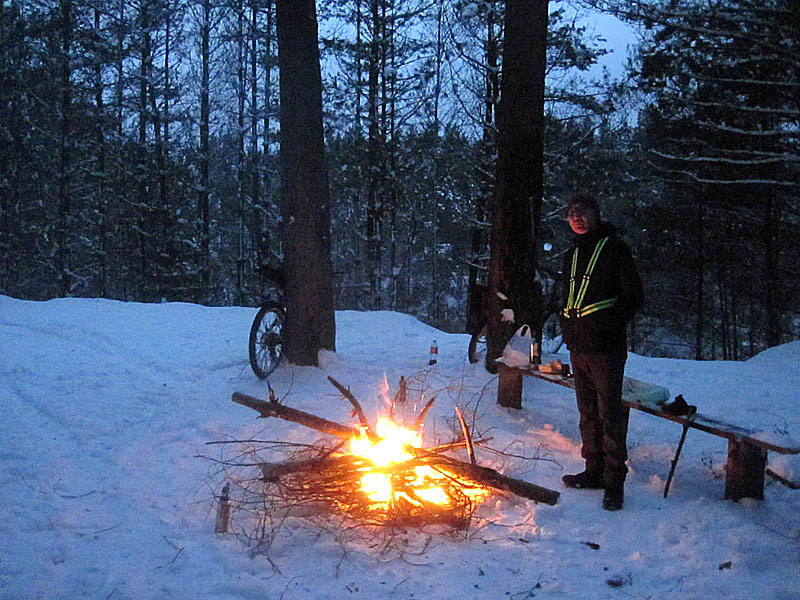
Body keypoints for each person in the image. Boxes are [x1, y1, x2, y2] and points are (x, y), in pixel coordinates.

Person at [559, 194, 644, 511]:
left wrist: (608, 324)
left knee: (610, 416)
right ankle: (592, 472)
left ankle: (614, 484)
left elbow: (634, 297)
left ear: (595, 215)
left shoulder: (615, 249)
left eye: (583, 212)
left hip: (606, 348)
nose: (577, 217)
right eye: (571, 213)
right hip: (578, 346)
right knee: (587, 414)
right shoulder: (572, 253)